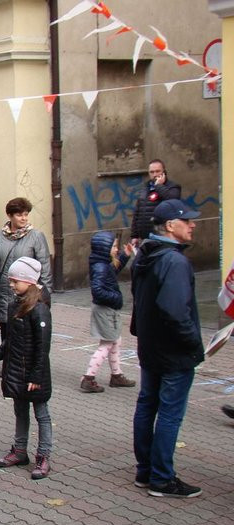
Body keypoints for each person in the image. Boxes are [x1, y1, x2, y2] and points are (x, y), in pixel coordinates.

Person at [131, 199, 204, 498]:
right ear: (171, 226)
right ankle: (161, 478)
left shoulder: (145, 254)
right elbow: (175, 311)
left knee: (148, 405)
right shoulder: (173, 261)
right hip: (172, 351)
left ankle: (145, 471)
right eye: (187, 221)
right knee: (169, 412)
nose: (193, 224)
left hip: (151, 346)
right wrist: (193, 343)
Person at [0, 257, 53, 479]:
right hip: (16, 372)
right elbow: (12, 339)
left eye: (15, 281)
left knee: (41, 414)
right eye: (11, 281)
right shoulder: (16, 303)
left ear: (29, 281)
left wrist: (36, 375)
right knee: (20, 411)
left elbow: (43, 347)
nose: (11, 285)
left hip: (34, 374)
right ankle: (20, 451)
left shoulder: (39, 308)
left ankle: (43, 456)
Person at [0, 197, 52, 343]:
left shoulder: (36, 236)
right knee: (5, 331)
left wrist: (45, 293)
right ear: (10, 216)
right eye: (19, 215)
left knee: (24, 331)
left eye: (26, 214)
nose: (24, 218)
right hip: (3, 291)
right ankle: (7, 362)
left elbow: (44, 267)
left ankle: (23, 363)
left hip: (27, 294)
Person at [80, 231, 136, 393]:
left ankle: (116, 375)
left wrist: (125, 256)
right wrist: (116, 297)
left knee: (115, 341)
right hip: (105, 309)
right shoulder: (100, 267)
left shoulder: (103, 264)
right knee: (107, 343)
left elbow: (113, 272)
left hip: (107, 308)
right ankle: (89, 378)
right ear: (104, 248)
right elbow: (97, 290)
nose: (116, 249)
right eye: (113, 246)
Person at [130, 159, 181, 247]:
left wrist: (159, 186)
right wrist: (134, 235)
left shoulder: (173, 187)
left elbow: (172, 200)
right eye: (152, 172)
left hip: (162, 237)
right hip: (145, 238)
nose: (154, 175)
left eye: (157, 171)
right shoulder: (145, 188)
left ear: (164, 172)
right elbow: (137, 212)